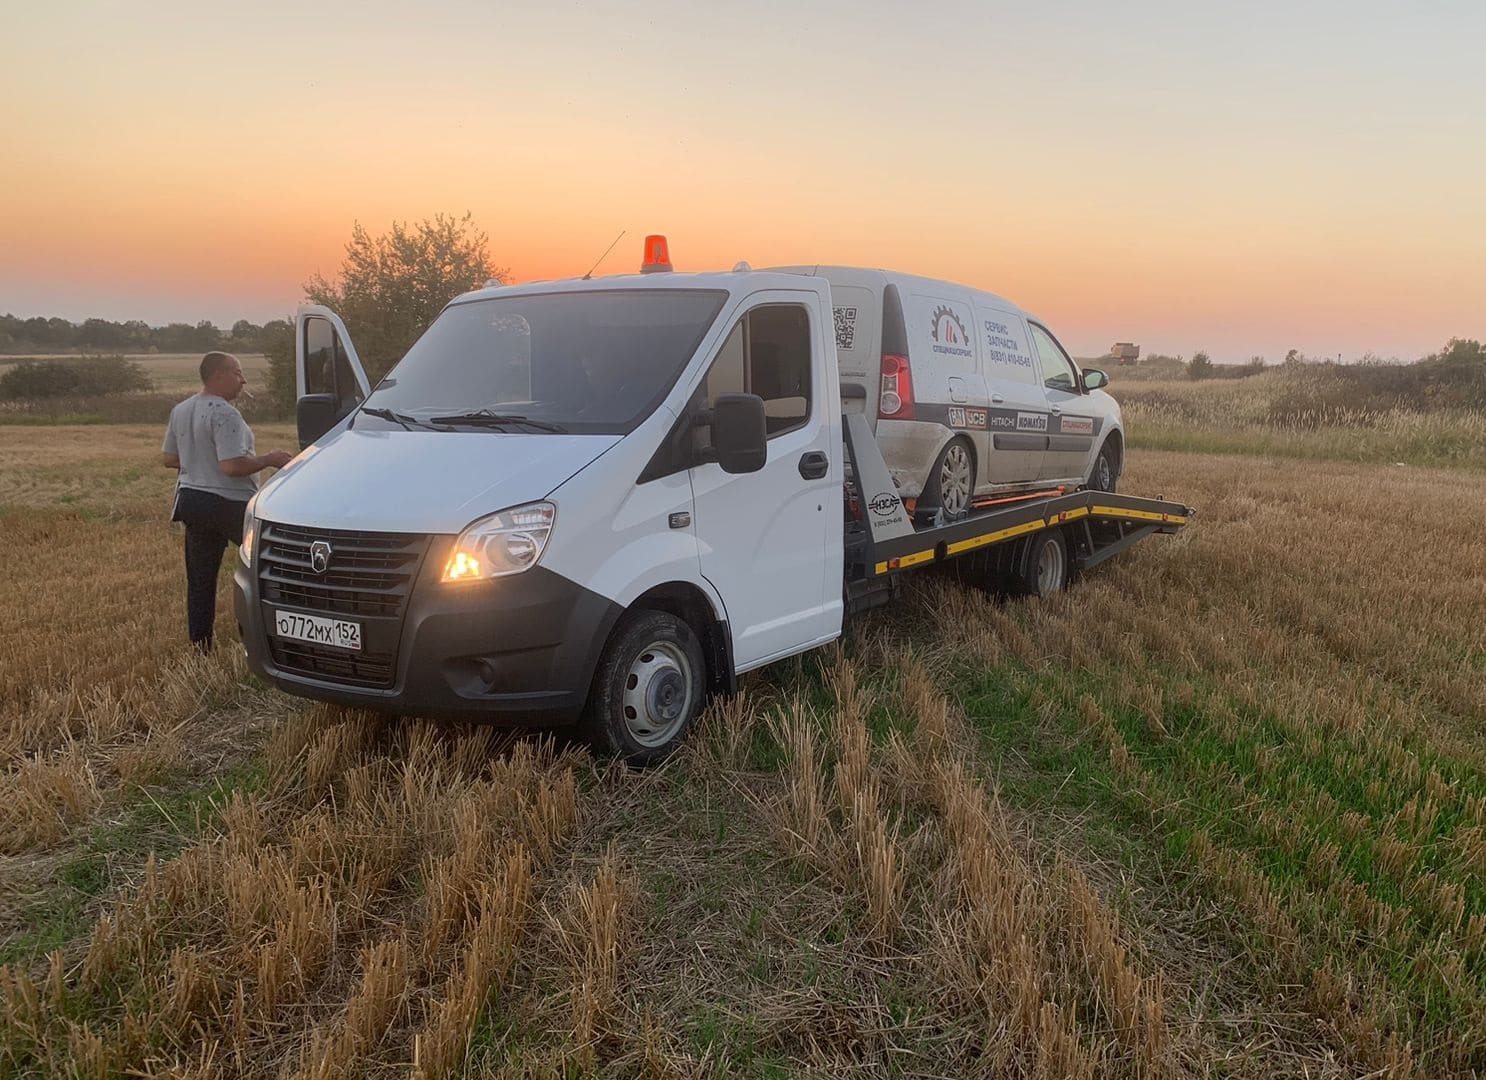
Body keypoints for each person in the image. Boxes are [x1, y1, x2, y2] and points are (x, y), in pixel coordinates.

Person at [161, 352, 293, 650]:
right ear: (218, 375)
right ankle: (276, 635)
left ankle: (200, 643)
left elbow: (170, 458)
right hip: (228, 502)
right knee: (269, 567)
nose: (243, 380)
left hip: (191, 500)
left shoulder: (181, 410)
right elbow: (232, 467)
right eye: (238, 373)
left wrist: (199, 461)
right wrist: (269, 459)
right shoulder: (224, 414)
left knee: (200, 578)